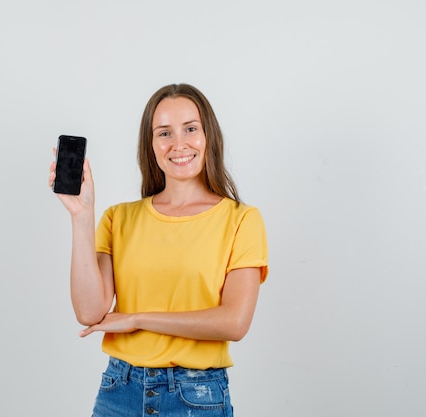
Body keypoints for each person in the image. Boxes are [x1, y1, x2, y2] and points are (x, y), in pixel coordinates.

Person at [49, 83, 268, 417]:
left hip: (195, 396)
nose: (178, 144)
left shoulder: (241, 219)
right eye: (164, 133)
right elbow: (90, 313)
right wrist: (81, 216)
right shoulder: (118, 218)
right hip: (118, 390)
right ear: (150, 145)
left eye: (190, 129)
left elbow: (234, 322)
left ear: (208, 135)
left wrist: (136, 319)